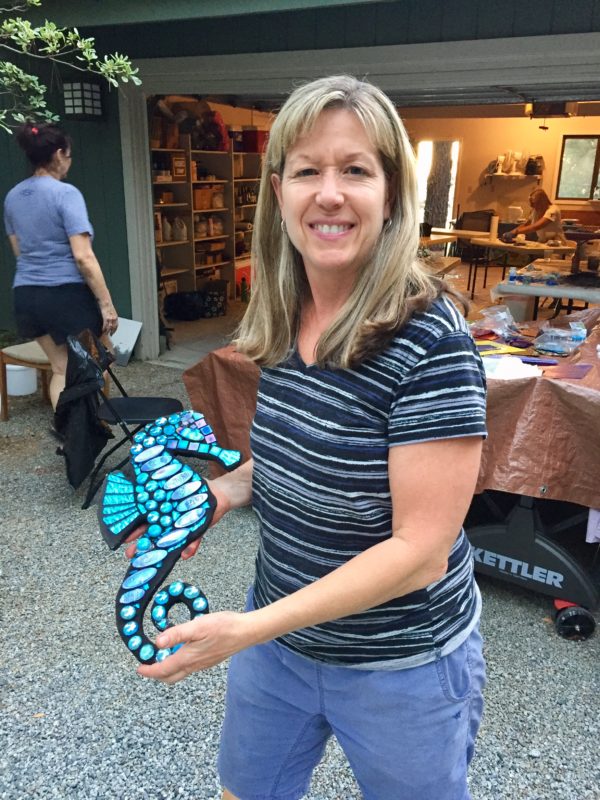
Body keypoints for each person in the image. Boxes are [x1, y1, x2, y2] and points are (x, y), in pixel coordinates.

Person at [131, 75, 488, 800]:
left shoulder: (432, 342)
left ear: (392, 194)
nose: (329, 194)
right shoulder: (288, 311)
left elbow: (420, 552)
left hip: (400, 666)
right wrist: (216, 495)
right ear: (278, 191)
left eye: (355, 170)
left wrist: (249, 629)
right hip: (281, 650)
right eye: (307, 172)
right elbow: (293, 455)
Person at [3, 122, 118, 410]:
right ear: (58, 154)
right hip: (64, 294)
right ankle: (88, 426)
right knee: (101, 358)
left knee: (62, 369)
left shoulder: (13, 196)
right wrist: (106, 305)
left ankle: (71, 432)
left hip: (27, 294)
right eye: (69, 155)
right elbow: (83, 257)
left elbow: (18, 250)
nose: (69, 162)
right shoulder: (66, 194)